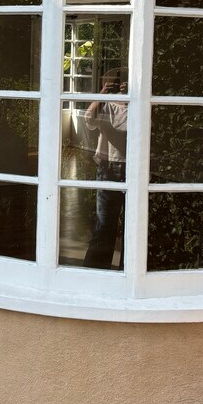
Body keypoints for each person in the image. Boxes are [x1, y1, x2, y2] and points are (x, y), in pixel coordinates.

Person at [82, 69, 128, 270]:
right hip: (108, 168)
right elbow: (89, 121)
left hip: (133, 168)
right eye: (115, 83)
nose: (119, 85)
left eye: (123, 82)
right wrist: (101, 95)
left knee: (132, 227)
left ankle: (127, 271)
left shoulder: (138, 105)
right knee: (104, 226)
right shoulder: (105, 105)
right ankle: (95, 272)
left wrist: (133, 97)